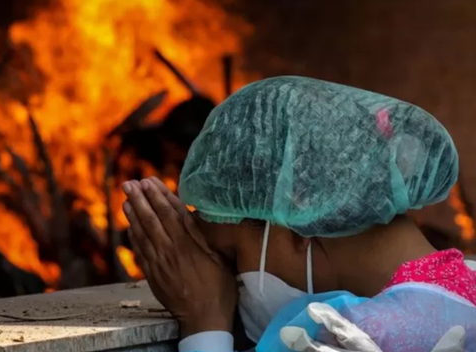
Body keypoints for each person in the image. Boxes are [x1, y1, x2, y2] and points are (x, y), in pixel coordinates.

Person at [121, 76, 476, 352]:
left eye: (230, 258)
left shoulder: (350, 335)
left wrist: (205, 324)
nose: (220, 279)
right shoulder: (465, 282)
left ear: (299, 220)